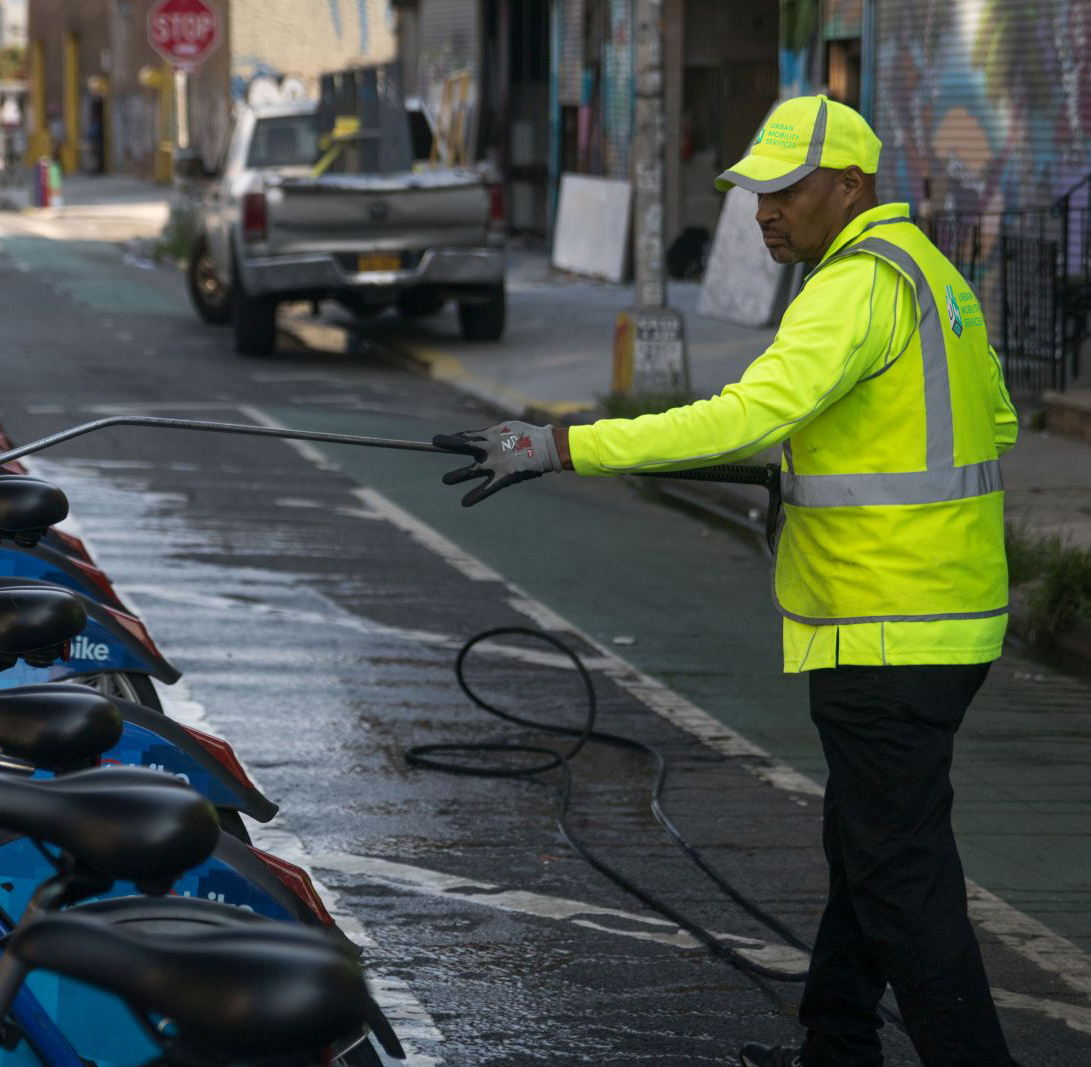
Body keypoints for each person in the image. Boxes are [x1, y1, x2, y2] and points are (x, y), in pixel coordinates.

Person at [435, 94, 1020, 1067]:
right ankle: (834, 1047)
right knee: (865, 848)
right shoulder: (933, 277)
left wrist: (564, 444)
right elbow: (985, 423)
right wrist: (802, 460)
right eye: (755, 191)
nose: (762, 211)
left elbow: (746, 414)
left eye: (784, 189)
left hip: (885, 626)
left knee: (901, 880)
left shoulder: (852, 286)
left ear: (849, 185)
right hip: (947, 623)